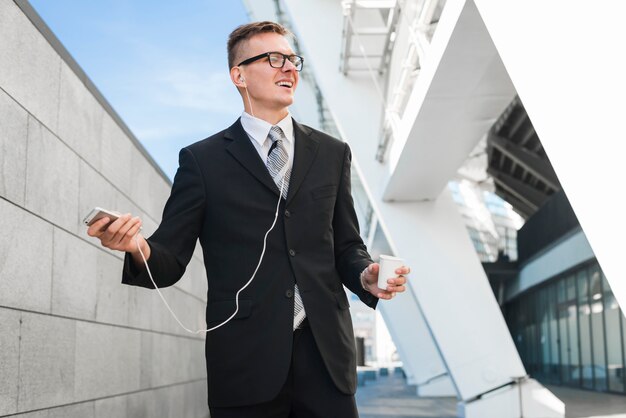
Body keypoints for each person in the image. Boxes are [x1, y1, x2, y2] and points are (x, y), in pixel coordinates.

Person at [87, 21, 409, 418]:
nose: (289, 68)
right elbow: (169, 257)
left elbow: (346, 245)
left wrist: (365, 275)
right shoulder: (201, 161)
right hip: (244, 363)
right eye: (274, 59)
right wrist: (135, 246)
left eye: (293, 60)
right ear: (238, 75)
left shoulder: (332, 153)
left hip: (327, 360)